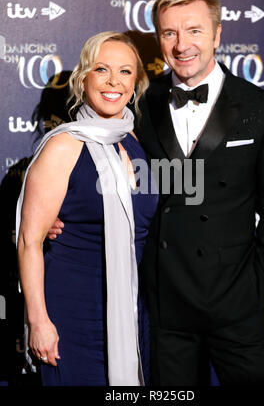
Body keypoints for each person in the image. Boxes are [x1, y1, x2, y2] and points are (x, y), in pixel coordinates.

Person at [49, 0, 264, 386]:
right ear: (159, 38)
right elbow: (94, 164)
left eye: (194, 31)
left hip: (238, 306)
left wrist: (263, 280)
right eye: (169, 33)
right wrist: (61, 219)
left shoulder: (262, 108)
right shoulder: (139, 102)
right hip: (166, 310)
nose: (182, 45)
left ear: (217, 34)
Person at [16, 31, 158, 386]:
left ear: (136, 82)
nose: (114, 81)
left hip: (129, 308)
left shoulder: (133, 140)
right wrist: (38, 321)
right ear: (83, 78)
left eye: (125, 72)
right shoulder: (64, 145)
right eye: (102, 69)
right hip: (73, 314)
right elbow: (29, 242)